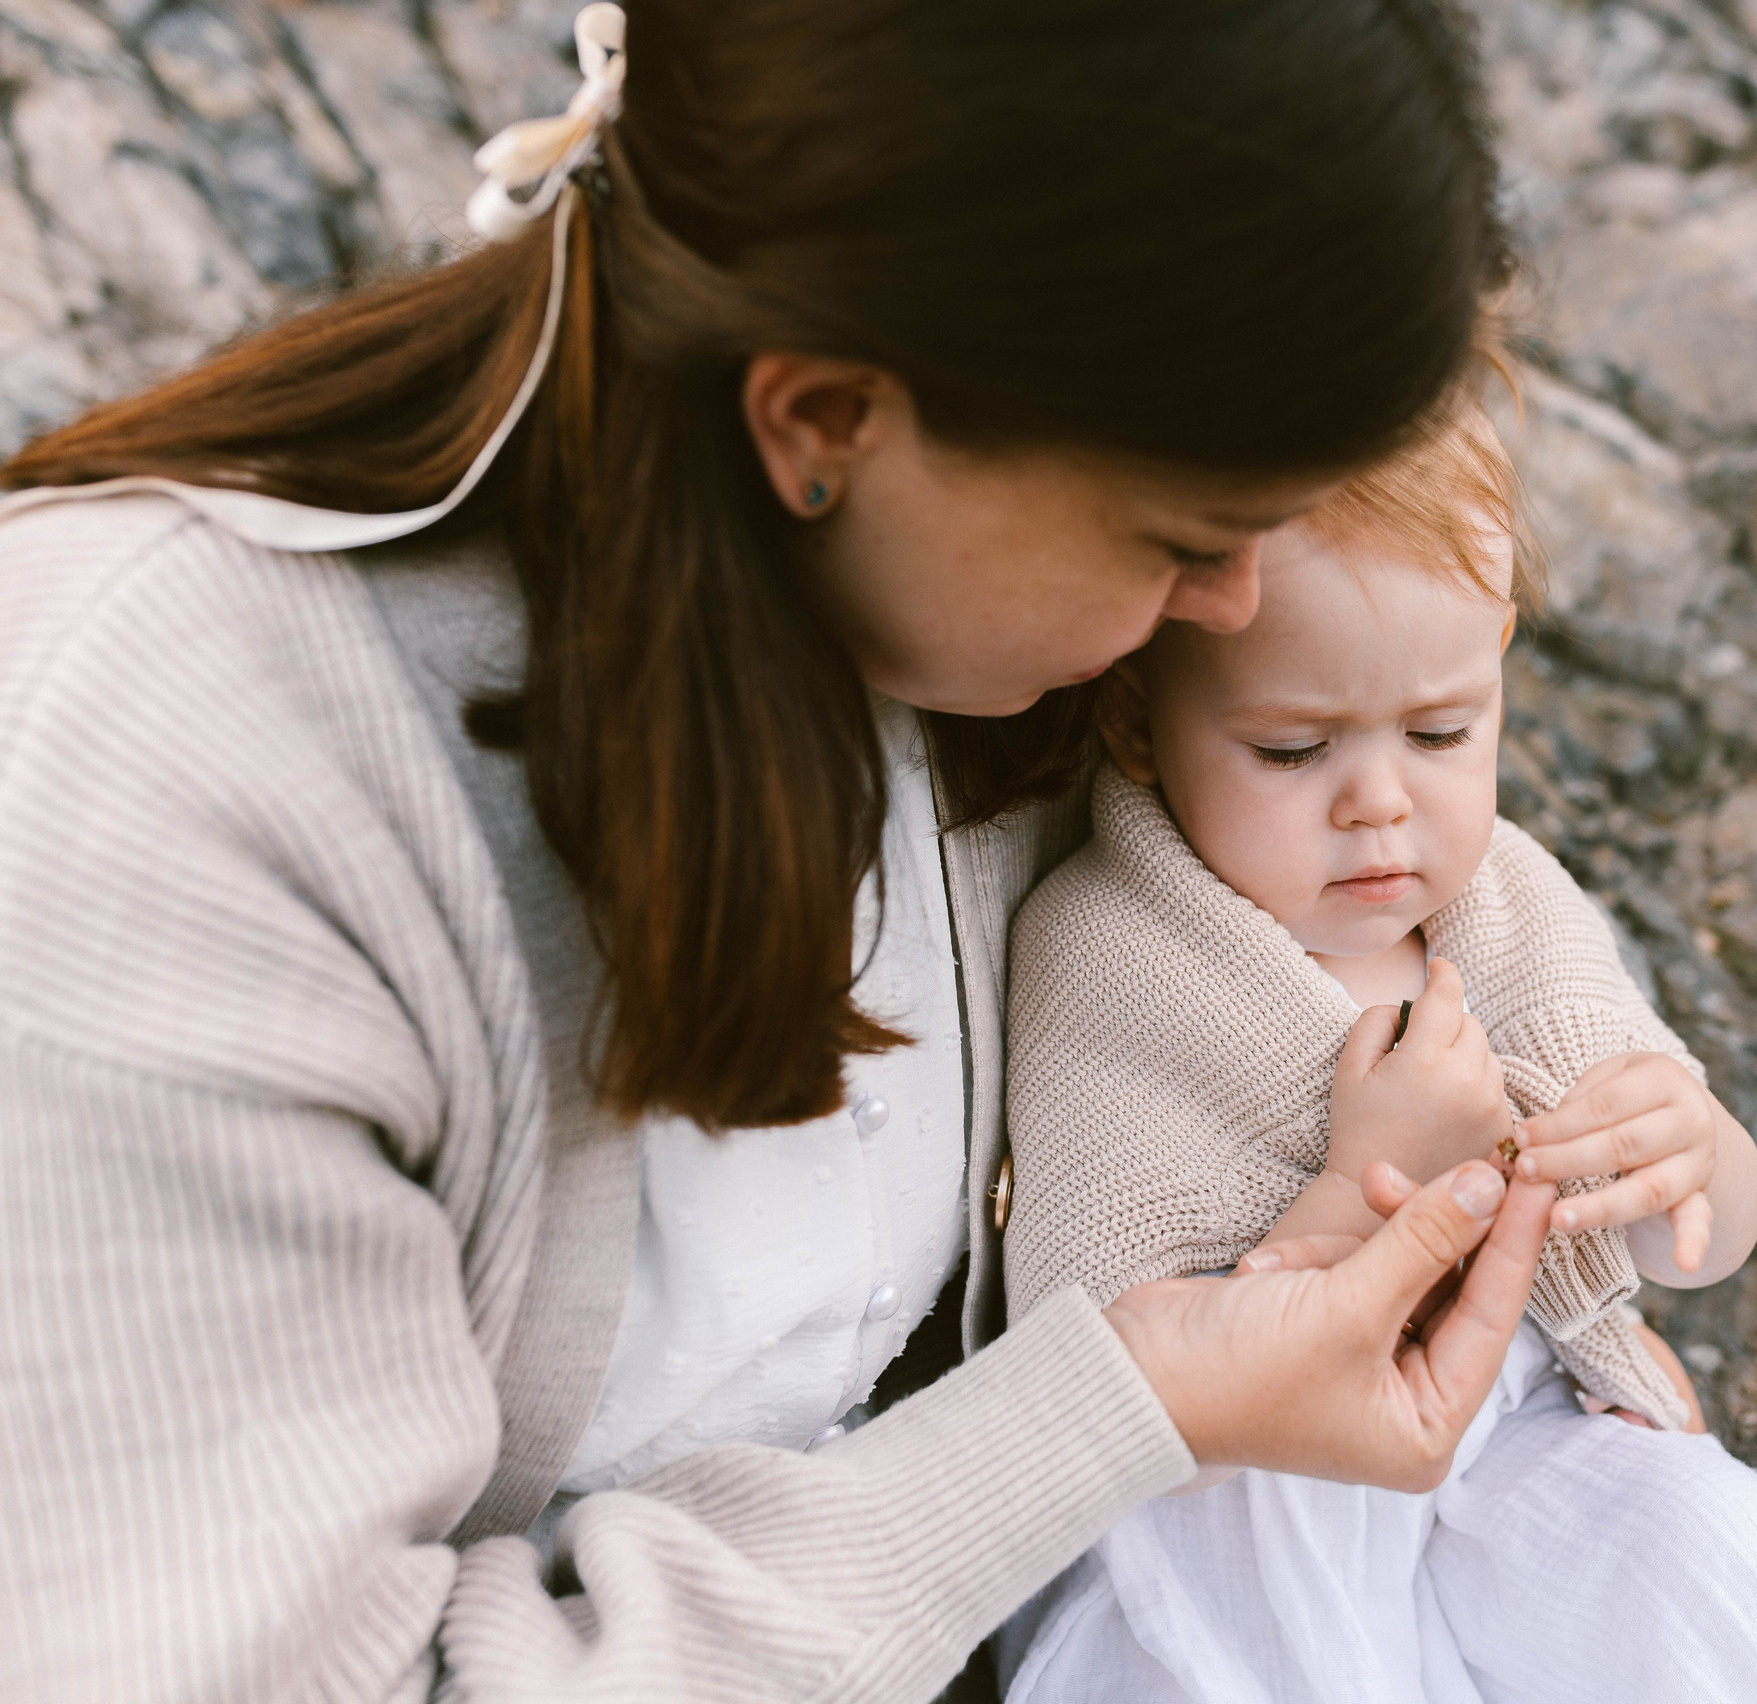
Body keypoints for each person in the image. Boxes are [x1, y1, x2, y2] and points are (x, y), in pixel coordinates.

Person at [0, 4, 1596, 1698]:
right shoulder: (163, 799)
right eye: (1184, 539)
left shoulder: (949, 620)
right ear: (824, 421)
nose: (1232, 611)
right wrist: (1122, 1405)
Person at [994, 404, 1757, 1702]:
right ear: (1137, 724)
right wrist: (1363, 1187)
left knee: (1702, 1544)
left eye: (1440, 733)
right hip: (1249, 1492)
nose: (1380, 801)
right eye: (1294, 749)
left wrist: (1694, 1154)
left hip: (1514, 1438)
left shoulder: (1513, 908)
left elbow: (1695, 1239)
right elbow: (1100, 1376)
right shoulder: (1111, 948)